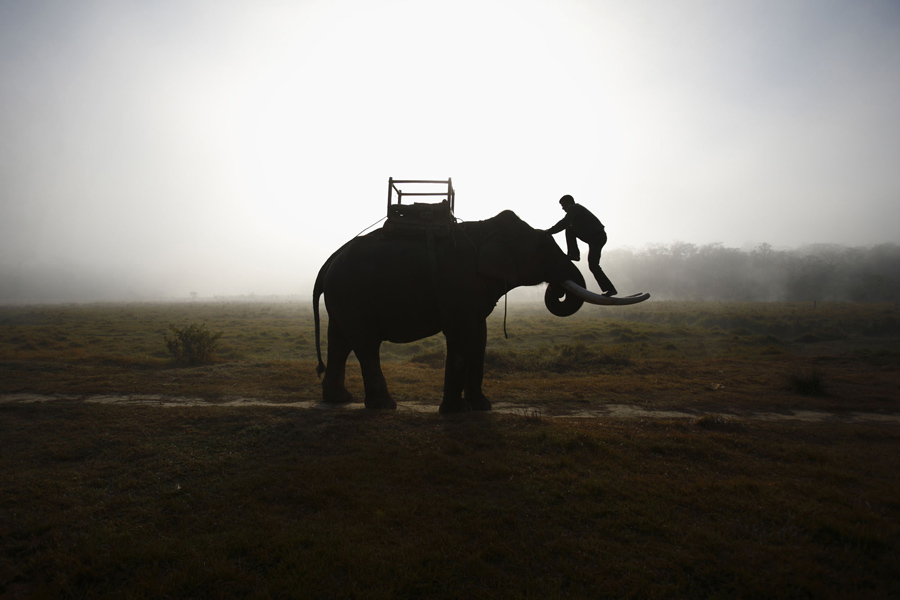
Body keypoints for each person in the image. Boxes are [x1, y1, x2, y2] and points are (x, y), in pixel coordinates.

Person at [545, 194, 618, 296]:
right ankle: (574, 254)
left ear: (569, 202)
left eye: (563, 205)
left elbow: (564, 222)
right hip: (593, 236)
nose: (563, 208)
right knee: (570, 229)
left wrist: (548, 231)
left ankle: (610, 289)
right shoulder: (576, 209)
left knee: (593, 265)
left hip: (597, 237)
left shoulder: (574, 208)